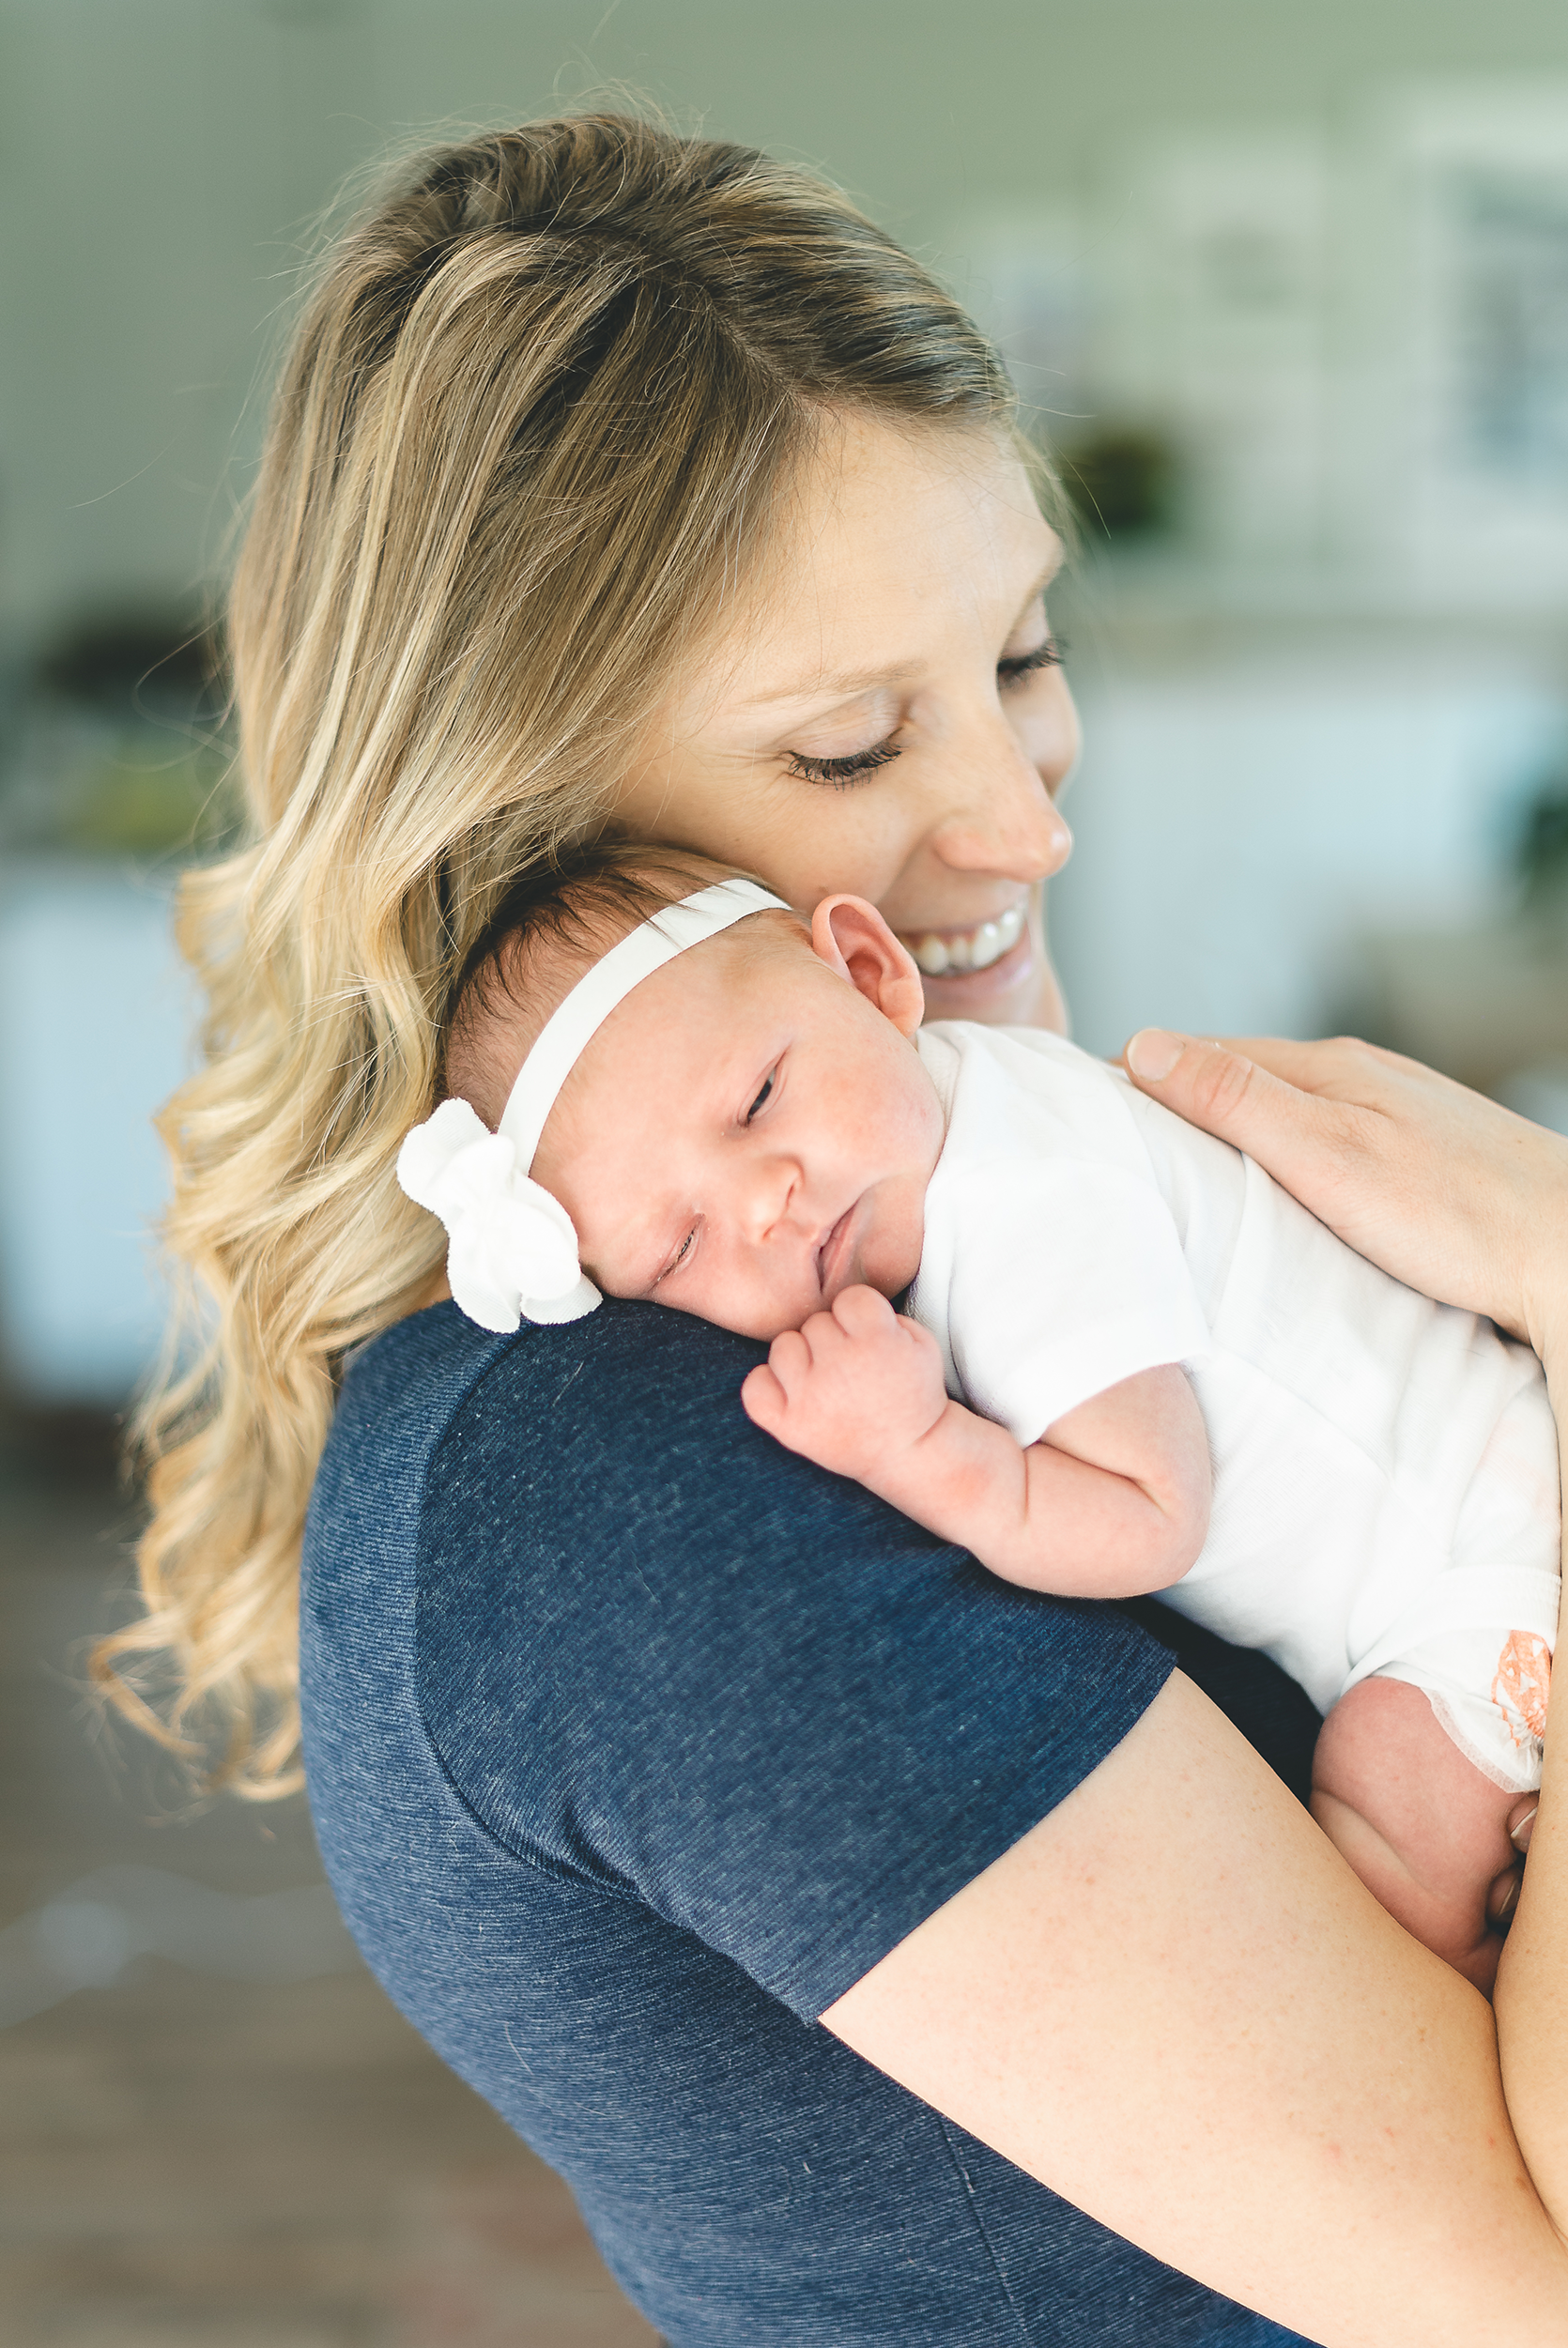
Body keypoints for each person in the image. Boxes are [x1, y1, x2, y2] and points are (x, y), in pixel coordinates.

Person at [108, 117, 1568, 2345]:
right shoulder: (632, 1475)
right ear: (527, 836)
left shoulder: (892, 1277)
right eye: (843, 742)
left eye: (1020, 649)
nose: (1017, 815)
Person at [395, 853, 1558, 1996]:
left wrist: (920, 1450)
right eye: (680, 1244)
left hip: (1483, 1551)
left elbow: (1149, 1516)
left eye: (756, 1100)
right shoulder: (978, 1106)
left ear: (865, 971)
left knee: (1379, 1848)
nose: (763, 1198)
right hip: (1481, 1483)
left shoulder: (1016, 1200)